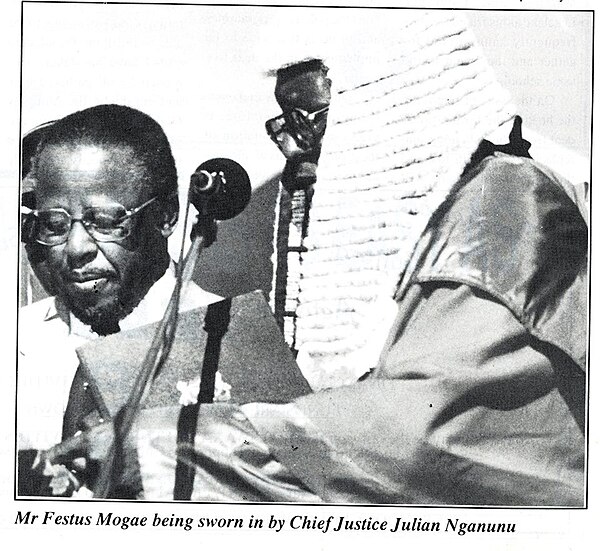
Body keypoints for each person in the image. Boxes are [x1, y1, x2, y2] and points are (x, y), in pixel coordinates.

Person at [40, 12, 587, 505]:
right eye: (286, 124)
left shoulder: (502, 213)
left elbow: (423, 435)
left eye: (310, 120)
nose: (292, 148)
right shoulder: (431, 213)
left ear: (393, 101)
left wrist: (171, 444)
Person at [18, 104, 220, 455]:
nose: (76, 247)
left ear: (167, 215)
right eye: (54, 224)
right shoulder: (14, 338)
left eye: (107, 220)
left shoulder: (224, 333)